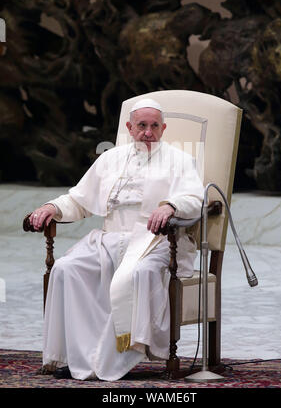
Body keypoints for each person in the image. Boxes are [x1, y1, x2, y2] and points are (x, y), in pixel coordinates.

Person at [29, 98, 204, 381]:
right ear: (129, 127)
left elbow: (195, 197)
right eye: (142, 126)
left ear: (164, 128)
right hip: (109, 239)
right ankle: (80, 357)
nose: (148, 132)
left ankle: (124, 353)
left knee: (140, 273)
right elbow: (79, 199)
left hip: (154, 242)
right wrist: (53, 207)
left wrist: (170, 205)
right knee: (65, 268)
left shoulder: (181, 160)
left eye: (154, 126)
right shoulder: (110, 159)